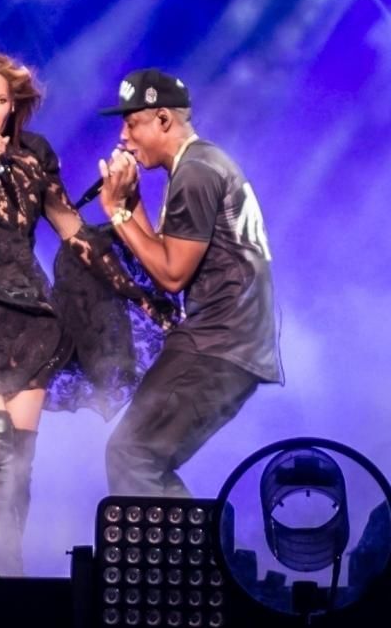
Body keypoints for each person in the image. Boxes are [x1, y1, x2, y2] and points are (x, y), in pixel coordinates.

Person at [0, 48, 172, 581]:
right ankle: (4, 575)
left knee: (18, 461)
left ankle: (9, 577)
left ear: (14, 105)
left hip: (30, 320)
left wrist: (138, 292)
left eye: (1, 101)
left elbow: (73, 233)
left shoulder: (34, 156)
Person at [97, 68, 283, 497]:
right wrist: (131, 203)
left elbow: (172, 275)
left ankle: (177, 545)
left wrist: (115, 212)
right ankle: (194, 542)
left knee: (131, 454)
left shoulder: (196, 171)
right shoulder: (199, 164)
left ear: (163, 119)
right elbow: (164, 257)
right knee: (142, 458)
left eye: (132, 123)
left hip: (218, 341)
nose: (124, 136)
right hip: (231, 343)